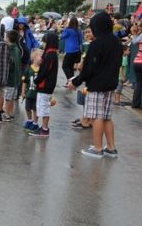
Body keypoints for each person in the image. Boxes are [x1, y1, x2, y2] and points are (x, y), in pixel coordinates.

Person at [67, 11, 120, 158]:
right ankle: (111, 148)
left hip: (97, 85)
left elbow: (90, 68)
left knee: (96, 116)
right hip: (111, 84)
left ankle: (97, 148)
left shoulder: (97, 44)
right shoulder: (116, 42)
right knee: (107, 117)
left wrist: (76, 81)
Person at [28, 31, 60, 138]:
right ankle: (43, 127)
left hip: (45, 85)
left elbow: (45, 71)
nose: (43, 44)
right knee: (43, 106)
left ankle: (45, 129)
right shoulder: (52, 53)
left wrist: (37, 80)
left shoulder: (50, 54)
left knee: (44, 107)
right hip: (47, 85)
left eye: (45, 42)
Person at [21, 47, 41, 131]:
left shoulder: (42, 69)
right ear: (34, 58)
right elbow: (24, 81)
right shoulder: (28, 69)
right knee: (27, 107)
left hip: (38, 93)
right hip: (29, 92)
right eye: (40, 56)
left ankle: (35, 123)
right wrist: (23, 92)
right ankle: (29, 120)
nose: (41, 58)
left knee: (36, 109)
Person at [61, 16, 83, 82]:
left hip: (70, 51)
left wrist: (65, 28)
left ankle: (72, 80)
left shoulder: (68, 30)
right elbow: (81, 41)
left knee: (64, 66)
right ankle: (70, 83)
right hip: (77, 50)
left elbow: (62, 37)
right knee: (70, 66)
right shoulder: (79, 31)